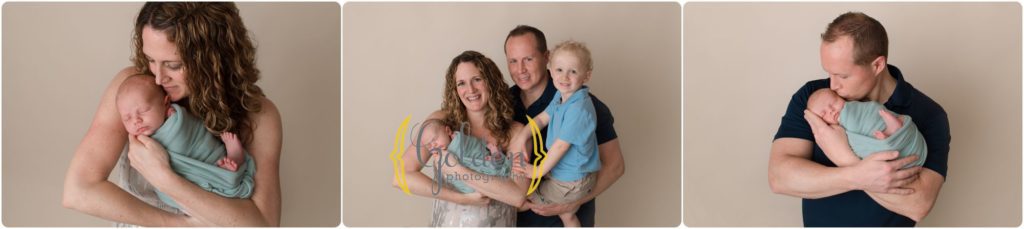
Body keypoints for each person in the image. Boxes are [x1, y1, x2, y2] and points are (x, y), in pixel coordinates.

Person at [62, 2, 282, 226]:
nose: (158, 78)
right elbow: (78, 191)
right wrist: (179, 224)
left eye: (173, 65)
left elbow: (263, 224)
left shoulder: (258, 114)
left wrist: (164, 178)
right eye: (151, 60)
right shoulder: (132, 91)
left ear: (212, 59)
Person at [768, 12, 950, 226]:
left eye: (843, 76)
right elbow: (779, 177)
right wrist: (856, 176)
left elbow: (918, 205)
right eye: (829, 73)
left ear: (877, 65)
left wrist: (844, 157)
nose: (833, 85)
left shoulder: (929, 114)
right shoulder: (816, 99)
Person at [504, 24, 625, 227]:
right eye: (513, 61)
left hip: (561, 214)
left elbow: (615, 166)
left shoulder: (586, 106)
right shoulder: (503, 103)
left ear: (546, 57)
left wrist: (571, 204)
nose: (520, 69)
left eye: (528, 59)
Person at [393, 50, 532, 226]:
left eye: (477, 79)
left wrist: (458, 171)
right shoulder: (440, 122)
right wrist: (460, 198)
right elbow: (401, 176)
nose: (471, 89)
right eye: (461, 83)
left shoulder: (516, 132)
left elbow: (517, 196)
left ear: (491, 82)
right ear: (455, 90)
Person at [115, 74, 255, 210]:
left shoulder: (177, 122)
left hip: (209, 159)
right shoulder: (137, 141)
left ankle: (234, 158)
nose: (136, 120)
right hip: (189, 190)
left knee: (225, 168)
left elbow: (186, 138)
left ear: (166, 103)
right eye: (127, 118)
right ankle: (226, 174)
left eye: (143, 110)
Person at [510, 40, 600, 227]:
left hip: (572, 180)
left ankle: (567, 209)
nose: (564, 77)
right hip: (566, 173)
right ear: (550, 70)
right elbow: (542, 119)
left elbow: (560, 146)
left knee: (525, 198)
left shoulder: (579, 109)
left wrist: (537, 171)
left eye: (573, 71)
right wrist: (522, 137)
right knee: (567, 215)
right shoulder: (561, 96)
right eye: (559, 70)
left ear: (587, 75)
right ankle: (569, 216)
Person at [806, 88, 927, 168]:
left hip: (884, 128)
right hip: (880, 142)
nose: (831, 111)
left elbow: (870, 110)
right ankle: (889, 134)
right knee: (875, 142)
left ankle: (891, 130)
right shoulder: (829, 133)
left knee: (874, 119)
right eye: (823, 114)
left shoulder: (853, 108)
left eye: (833, 103)